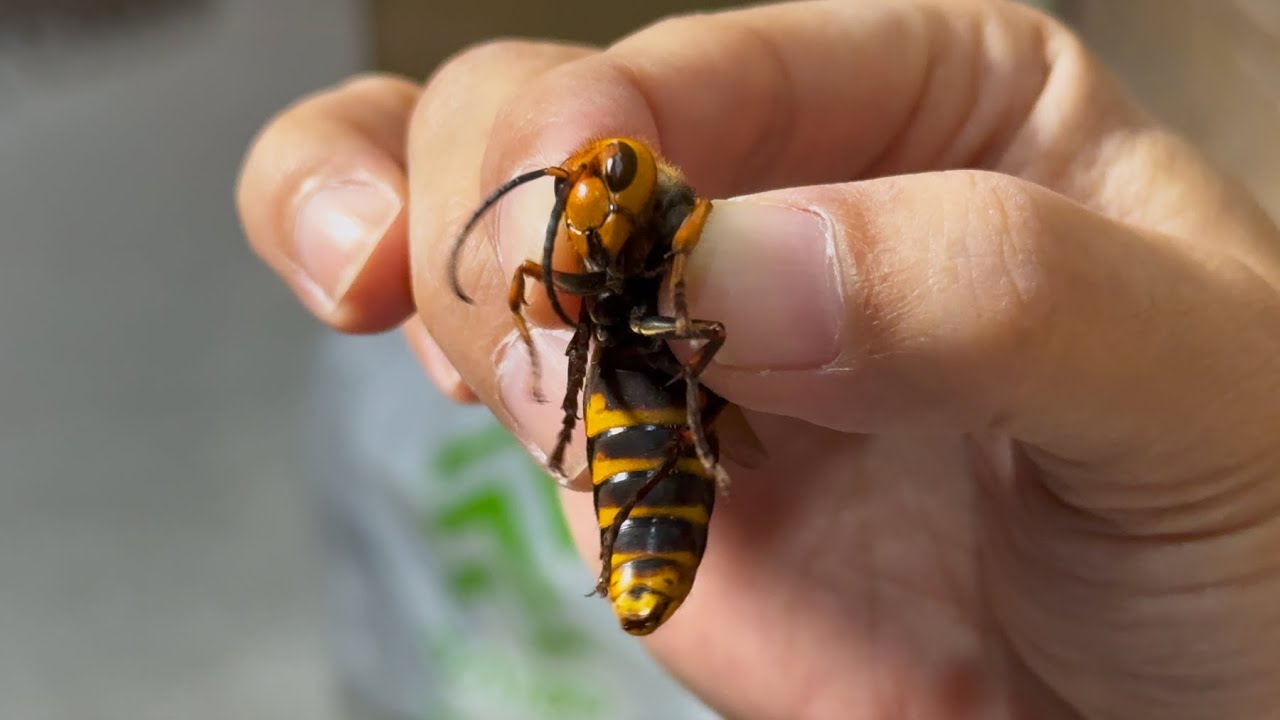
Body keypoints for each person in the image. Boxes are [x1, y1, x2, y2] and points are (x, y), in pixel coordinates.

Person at [235, 1, 1280, 716]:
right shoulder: (591, 273)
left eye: (603, 187)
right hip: (654, 416)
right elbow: (543, 283)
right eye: (571, 194)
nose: (582, 202)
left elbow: (695, 299)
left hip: (662, 415)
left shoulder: (685, 242)